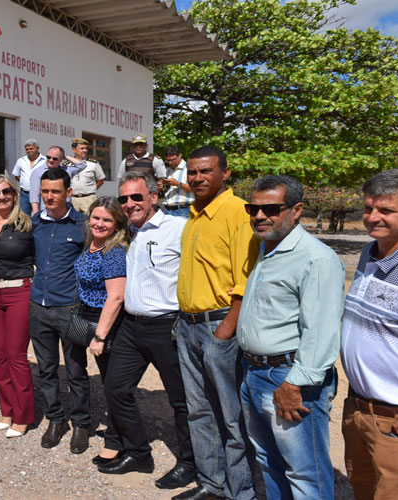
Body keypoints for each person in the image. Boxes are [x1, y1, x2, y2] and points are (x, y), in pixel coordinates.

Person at [238, 175, 344, 500]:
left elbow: (322, 331)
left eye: (270, 208)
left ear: (296, 210)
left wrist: (294, 384)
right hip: (254, 373)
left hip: (290, 379)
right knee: (270, 463)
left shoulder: (317, 258)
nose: (259, 216)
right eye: (252, 208)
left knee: (305, 474)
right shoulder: (266, 247)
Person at [97, 172, 196, 489]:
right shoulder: (128, 231)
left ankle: (190, 463)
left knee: (181, 401)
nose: (129, 204)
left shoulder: (178, 229)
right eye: (124, 198)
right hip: (131, 326)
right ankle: (139, 452)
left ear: (154, 197)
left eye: (136, 197)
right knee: (115, 388)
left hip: (166, 327)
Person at [173, 146, 259, 500]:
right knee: (199, 411)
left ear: (225, 173)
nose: (197, 178)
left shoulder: (238, 212)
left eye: (206, 171)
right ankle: (212, 485)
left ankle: (240, 491)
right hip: (188, 325)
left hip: (219, 325)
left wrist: (226, 331)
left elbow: (247, 276)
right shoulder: (194, 212)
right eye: (192, 172)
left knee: (231, 416)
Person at [340, 168, 398, 499]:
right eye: (368, 209)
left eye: (385, 210)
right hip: (359, 407)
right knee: (363, 488)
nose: (372, 217)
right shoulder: (369, 252)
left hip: (397, 418)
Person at [29, 168, 90, 453]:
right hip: (38, 307)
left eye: (55, 191)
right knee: (47, 369)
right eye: (45, 191)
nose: (49, 197)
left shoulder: (83, 225)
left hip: (72, 308)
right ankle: (56, 420)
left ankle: (80, 424)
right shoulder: (34, 223)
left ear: (69, 192)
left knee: (76, 370)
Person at [0, 175, 36, 438]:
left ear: (14, 194)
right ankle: (6, 409)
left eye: (6, 192)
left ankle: (23, 415)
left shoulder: (27, 225)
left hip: (18, 292)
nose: (1, 197)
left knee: (17, 356)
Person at [72, 196, 129, 466]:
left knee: (113, 384)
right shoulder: (92, 244)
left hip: (107, 323)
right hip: (87, 315)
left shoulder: (114, 252)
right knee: (107, 380)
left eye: (107, 219)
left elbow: (116, 297)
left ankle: (117, 441)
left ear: (117, 223)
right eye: (96, 217)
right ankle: (118, 432)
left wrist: (99, 336)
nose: (99, 223)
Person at [28, 146, 85, 214]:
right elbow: (34, 195)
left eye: (55, 158)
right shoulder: (37, 172)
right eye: (48, 157)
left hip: (67, 210)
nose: (51, 160)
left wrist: (66, 157)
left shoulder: (67, 170)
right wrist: (36, 212)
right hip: (48, 211)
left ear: (61, 160)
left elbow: (82, 165)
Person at [70, 138, 106, 213]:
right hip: (72, 199)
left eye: (86, 148)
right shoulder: (68, 165)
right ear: (73, 149)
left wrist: (91, 190)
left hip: (89, 199)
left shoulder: (93, 163)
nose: (85, 150)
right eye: (82, 148)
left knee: (89, 221)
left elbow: (101, 180)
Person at [12, 139, 46, 215]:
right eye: (27, 149)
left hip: (39, 193)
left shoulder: (45, 161)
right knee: (24, 216)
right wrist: (26, 182)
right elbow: (17, 176)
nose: (29, 151)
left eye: (31, 149)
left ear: (37, 148)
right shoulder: (21, 161)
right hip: (25, 193)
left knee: (39, 214)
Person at [162, 146, 194, 218]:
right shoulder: (168, 171)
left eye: (173, 160)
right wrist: (162, 187)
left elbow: (196, 189)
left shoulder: (190, 168)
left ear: (180, 155)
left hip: (183, 209)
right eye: (168, 160)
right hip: (167, 209)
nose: (170, 163)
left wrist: (178, 184)